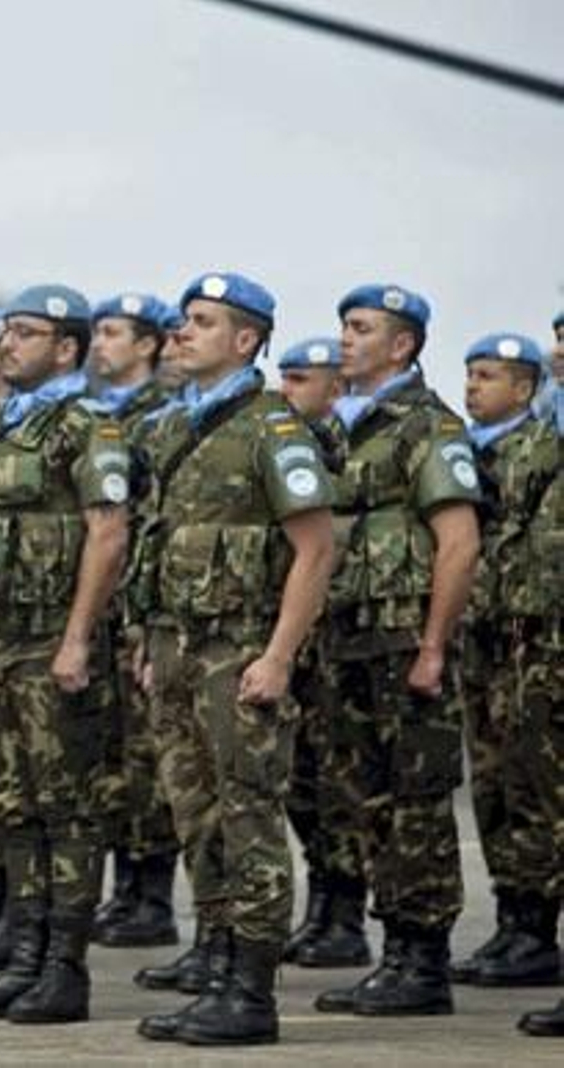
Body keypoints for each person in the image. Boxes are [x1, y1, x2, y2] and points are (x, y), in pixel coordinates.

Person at [135, 272, 336, 1046]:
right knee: (196, 816)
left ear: (246, 340)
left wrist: (279, 657)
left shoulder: (273, 431)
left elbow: (314, 550)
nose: (182, 332)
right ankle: (215, 969)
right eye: (183, 320)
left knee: (249, 815)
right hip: (177, 652)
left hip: (240, 652)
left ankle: (251, 992)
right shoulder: (173, 429)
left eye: (202, 321)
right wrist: (150, 644)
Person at [0, 284, 131, 1026]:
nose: (7, 343)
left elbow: (107, 533)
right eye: (7, 332)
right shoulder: (1, 426)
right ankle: (24, 959)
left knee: (68, 807)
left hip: (53, 640)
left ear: (66, 349)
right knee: (13, 805)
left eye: (25, 333)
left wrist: (78, 636)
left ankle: (64, 969)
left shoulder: (87, 425)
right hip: (0, 638)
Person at [314, 284, 481, 1019]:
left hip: (404, 640)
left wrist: (434, 646)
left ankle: (423, 959)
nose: (345, 339)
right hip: (350, 640)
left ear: (402, 344)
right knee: (366, 799)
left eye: (361, 328)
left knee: (416, 801)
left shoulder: (428, 427)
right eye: (344, 327)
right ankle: (395, 953)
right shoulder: (343, 428)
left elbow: (459, 542)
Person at [457, 332, 560, 993]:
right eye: (470, 374)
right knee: (493, 783)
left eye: (488, 376)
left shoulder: (543, 449)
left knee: (535, 784)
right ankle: (514, 917)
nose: (473, 387)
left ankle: (537, 928)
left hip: (535, 642)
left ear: (524, 389)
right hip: (486, 638)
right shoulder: (466, 452)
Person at [86, 292, 183, 951]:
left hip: (140, 613)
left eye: (113, 333)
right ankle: (124, 888)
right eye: (96, 332)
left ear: (148, 345)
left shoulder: (163, 417)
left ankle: (152, 895)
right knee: (113, 756)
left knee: (148, 757)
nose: (100, 344)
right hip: (104, 612)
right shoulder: (99, 417)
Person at [271, 337, 370, 969]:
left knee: (343, 782)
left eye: (299, 379)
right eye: (283, 377)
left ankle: (346, 915)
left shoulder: (353, 446)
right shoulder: (285, 445)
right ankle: (324, 905)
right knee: (301, 780)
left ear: (336, 387)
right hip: (301, 639)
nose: (285, 390)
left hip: (346, 635)